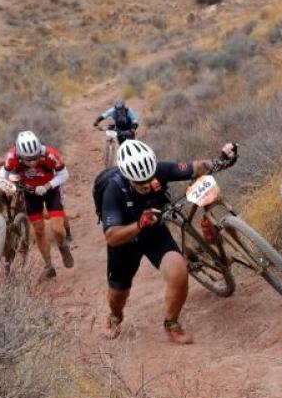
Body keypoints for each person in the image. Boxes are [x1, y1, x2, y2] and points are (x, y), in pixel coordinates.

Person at [98, 138, 238, 344]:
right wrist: (139, 224)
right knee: (119, 294)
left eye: (150, 179)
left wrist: (224, 158)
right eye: (140, 183)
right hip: (125, 243)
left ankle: (171, 323)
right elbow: (111, 236)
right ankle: (115, 316)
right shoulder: (113, 190)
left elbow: (197, 167)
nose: (147, 185)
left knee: (179, 271)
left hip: (155, 235)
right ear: (128, 178)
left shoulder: (159, 170)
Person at [0, 130, 72, 278]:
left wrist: (47, 186)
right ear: (20, 155)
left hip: (51, 191)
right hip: (30, 192)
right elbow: (3, 173)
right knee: (38, 230)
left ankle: (63, 247)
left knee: (57, 229)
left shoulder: (50, 155)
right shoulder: (12, 156)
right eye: (28, 159)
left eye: (35, 158)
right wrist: (1, 183)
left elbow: (64, 174)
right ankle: (49, 266)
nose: (32, 162)